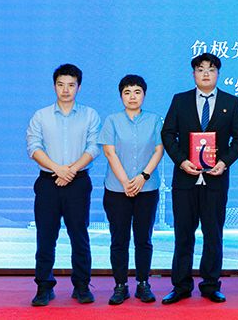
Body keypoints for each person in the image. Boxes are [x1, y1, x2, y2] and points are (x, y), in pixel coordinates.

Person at [160, 53, 238, 304]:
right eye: (200, 69)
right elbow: (168, 134)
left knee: (213, 235)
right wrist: (181, 161)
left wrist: (224, 162)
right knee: (183, 235)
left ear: (218, 73)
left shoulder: (231, 102)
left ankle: (210, 285)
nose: (206, 74)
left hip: (215, 179)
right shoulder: (180, 100)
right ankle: (181, 286)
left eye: (211, 69)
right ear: (193, 74)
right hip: (185, 180)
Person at [26, 64, 100, 306]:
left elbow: (93, 148)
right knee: (45, 236)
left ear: (79, 87)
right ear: (54, 86)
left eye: (71, 85)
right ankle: (44, 287)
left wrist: (71, 170)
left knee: (79, 235)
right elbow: (33, 147)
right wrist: (58, 169)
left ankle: (82, 286)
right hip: (48, 183)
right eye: (61, 85)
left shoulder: (90, 115)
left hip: (78, 183)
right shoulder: (41, 116)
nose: (65, 90)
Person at [98, 75, 163, 305]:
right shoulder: (112, 120)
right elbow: (109, 153)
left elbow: (158, 150)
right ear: (121, 96)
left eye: (137, 92)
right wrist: (126, 182)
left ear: (144, 95)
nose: (132, 96)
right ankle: (120, 285)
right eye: (127, 92)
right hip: (117, 189)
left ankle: (143, 284)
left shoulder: (154, 120)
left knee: (144, 239)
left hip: (147, 188)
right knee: (119, 239)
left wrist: (143, 177)